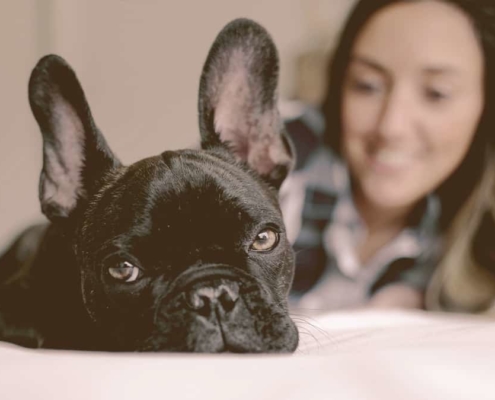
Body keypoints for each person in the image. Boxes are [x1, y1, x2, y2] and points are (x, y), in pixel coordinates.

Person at [281, 0, 495, 312]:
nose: (391, 126)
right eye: (366, 85)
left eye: (436, 93)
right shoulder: (269, 153)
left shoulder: (472, 226)